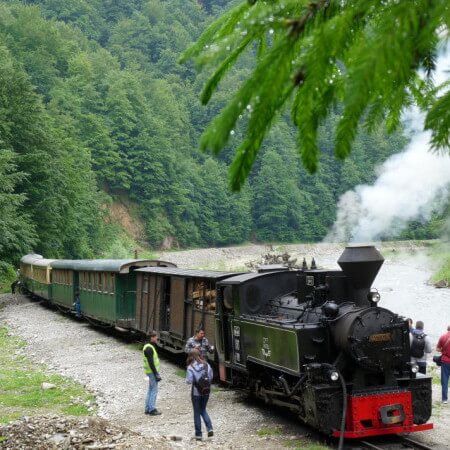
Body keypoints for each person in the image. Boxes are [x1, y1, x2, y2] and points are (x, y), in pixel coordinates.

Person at [186, 348, 214, 441]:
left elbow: (189, 381)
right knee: (203, 409)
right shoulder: (206, 365)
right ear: (200, 354)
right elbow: (210, 377)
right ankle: (209, 428)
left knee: (197, 412)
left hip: (196, 393)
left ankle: (198, 435)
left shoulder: (190, 367)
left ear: (191, 356)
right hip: (206, 391)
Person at [143, 331, 162, 415]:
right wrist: (156, 374)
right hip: (152, 372)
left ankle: (147, 408)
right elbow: (151, 362)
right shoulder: (149, 348)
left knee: (150, 389)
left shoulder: (148, 346)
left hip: (149, 372)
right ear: (152, 337)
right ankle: (152, 409)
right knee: (154, 390)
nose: (157, 338)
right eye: (155, 336)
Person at [436, 325, 450, 404]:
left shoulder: (443, 337)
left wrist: (443, 350)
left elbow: (437, 349)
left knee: (445, 380)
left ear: (447, 329)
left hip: (445, 361)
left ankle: (444, 399)